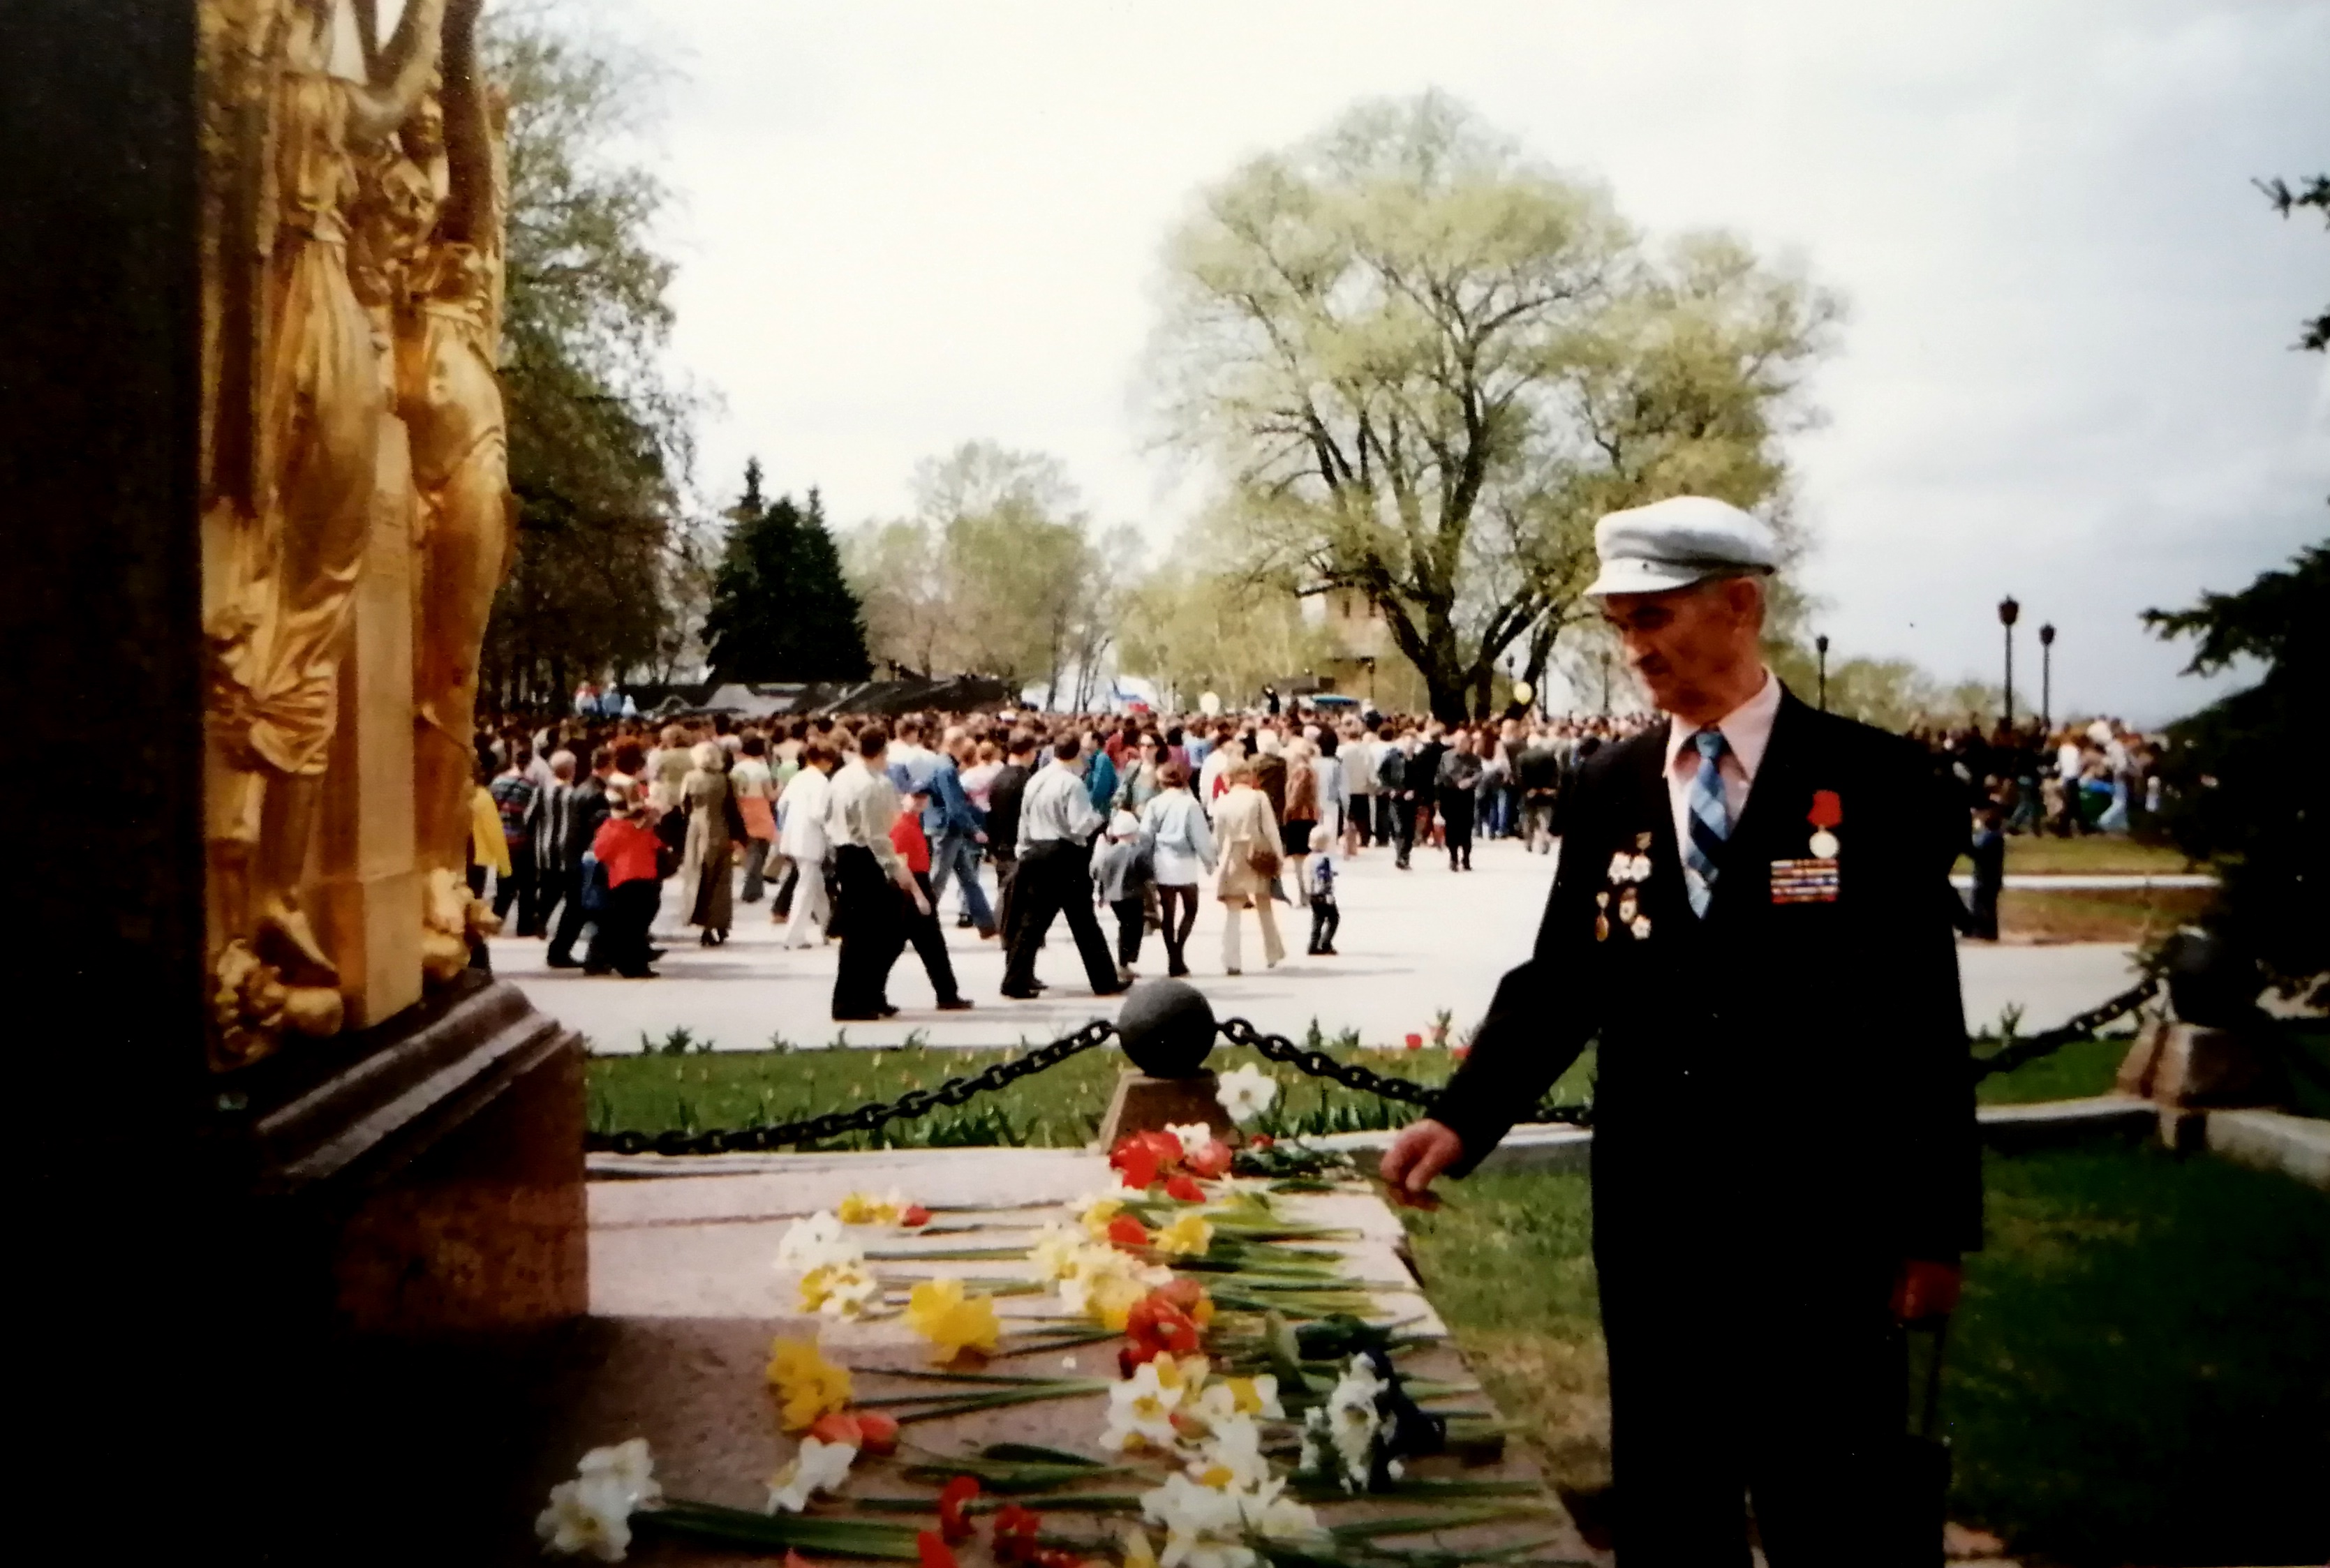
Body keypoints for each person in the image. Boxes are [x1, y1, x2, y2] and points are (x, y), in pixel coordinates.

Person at [1380, 494, 1977, 1563]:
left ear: (1739, 604)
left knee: (1829, 1502)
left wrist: (1933, 1227)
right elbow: (1564, 974)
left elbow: (1921, 1019)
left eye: (1652, 616)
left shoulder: (1872, 781)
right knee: (1668, 1495)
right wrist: (1463, 1119)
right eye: (1618, 623)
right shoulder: (1610, 784)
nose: (1631, 647)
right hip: (1657, 1217)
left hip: (1824, 1226)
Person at [1001, 734, 1126, 1000]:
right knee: (1084, 921)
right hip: (1064, 854)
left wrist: (1024, 850)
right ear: (1076, 755)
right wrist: (1100, 819)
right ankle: (1104, 980)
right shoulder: (1072, 783)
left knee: (1032, 922)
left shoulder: (1035, 779)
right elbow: (1080, 824)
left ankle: (1015, 979)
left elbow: (1024, 820)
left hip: (1035, 850)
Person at [824, 726, 928, 1021]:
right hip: (868, 858)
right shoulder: (876, 785)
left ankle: (868, 995)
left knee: (866, 934)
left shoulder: (842, 776)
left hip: (846, 853)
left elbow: (828, 816)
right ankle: (853, 1000)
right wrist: (897, 870)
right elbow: (879, 836)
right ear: (882, 752)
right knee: (875, 934)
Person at [889, 789, 974, 1010]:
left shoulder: (915, 824)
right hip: (909, 886)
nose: (920, 801)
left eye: (924, 797)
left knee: (917, 946)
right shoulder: (902, 826)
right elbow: (900, 864)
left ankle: (947, 995)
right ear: (903, 797)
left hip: (918, 883)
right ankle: (947, 995)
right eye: (914, 796)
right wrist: (919, 895)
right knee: (923, 946)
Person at [1140, 761, 1215, 979]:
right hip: (1185, 862)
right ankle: (1178, 953)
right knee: (1191, 909)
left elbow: (1146, 836)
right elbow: (1200, 837)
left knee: (1168, 914)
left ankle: (1172, 956)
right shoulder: (1190, 804)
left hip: (1162, 860)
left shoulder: (1154, 804)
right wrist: (1209, 861)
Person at [1210, 759, 1286, 975]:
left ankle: (1232, 960)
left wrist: (1216, 861)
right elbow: (1271, 830)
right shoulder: (1258, 797)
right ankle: (1272, 952)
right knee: (1264, 905)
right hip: (1258, 852)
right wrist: (1279, 856)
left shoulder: (1222, 802)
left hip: (1235, 853)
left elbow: (1218, 837)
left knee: (1233, 910)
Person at [926, 730, 998, 940]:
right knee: (938, 879)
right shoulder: (947, 769)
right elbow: (954, 805)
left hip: (942, 826)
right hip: (947, 829)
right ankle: (919, 922)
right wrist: (974, 829)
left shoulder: (937, 763)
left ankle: (986, 924)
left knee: (968, 878)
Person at [545, 746, 614, 969]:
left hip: (576, 855)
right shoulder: (595, 794)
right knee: (582, 908)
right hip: (585, 857)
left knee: (576, 908)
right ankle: (571, 953)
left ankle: (560, 951)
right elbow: (597, 828)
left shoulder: (583, 788)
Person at [586, 781, 662, 978]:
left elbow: (601, 853)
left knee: (624, 925)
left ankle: (624, 963)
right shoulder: (645, 827)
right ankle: (634, 965)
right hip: (646, 877)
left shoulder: (611, 827)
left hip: (621, 878)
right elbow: (657, 846)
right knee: (636, 926)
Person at [776, 742, 837, 948]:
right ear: (826, 761)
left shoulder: (798, 777)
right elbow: (819, 813)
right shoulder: (821, 782)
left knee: (816, 886)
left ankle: (830, 929)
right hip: (810, 840)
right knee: (805, 889)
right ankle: (794, 937)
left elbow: (781, 804)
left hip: (793, 836)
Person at [678, 741, 739, 947]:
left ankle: (702, 922)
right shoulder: (725, 780)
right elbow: (732, 810)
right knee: (721, 881)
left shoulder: (690, 778)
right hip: (721, 830)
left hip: (696, 832)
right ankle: (719, 923)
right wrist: (741, 837)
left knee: (699, 877)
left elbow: (684, 807)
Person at [1090, 810, 1156, 985]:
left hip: (1115, 898)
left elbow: (1103, 874)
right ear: (1134, 832)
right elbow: (1148, 873)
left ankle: (1124, 962)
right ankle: (1125, 961)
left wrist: (1102, 895)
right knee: (1134, 927)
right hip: (1133, 896)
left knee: (1125, 926)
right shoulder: (1138, 853)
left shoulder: (1109, 853)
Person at [489, 744, 541, 933]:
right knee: (527, 887)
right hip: (522, 841)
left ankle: (494, 922)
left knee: (503, 886)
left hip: (502, 841)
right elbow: (533, 815)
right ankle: (525, 926)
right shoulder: (531, 786)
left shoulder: (497, 782)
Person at [732, 733, 778, 903]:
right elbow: (770, 795)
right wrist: (781, 788)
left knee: (750, 849)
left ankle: (755, 887)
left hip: (742, 808)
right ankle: (752, 888)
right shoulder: (762, 769)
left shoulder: (737, 769)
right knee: (760, 851)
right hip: (759, 809)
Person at [1436, 729, 1483, 872]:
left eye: (1466, 741)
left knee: (1466, 827)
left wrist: (1470, 781)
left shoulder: (1474, 759)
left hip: (1467, 796)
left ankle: (1466, 858)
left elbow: (1479, 773)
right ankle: (1453, 858)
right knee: (1452, 828)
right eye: (1460, 740)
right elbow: (1441, 775)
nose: (1463, 743)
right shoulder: (1446, 756)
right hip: (1451, 796)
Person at [1959, 797, 2005, 941]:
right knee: (1986, 904)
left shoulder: (1991, 837)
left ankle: (1982, 931)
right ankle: (1989, 931)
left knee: (1982, 904)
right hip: (1990, 876)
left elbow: (1976, 850)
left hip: (1987, 877)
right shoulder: (1994, 836)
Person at [1305, 824, 1341, 956]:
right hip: (1324, 895)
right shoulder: (1325, 859)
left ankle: (1313, 945)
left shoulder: (1308, 859)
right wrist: (1329, 894)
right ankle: (1325, 943)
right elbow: (1325, 878)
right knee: (1334, 919)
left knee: (1317, 920)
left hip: (1312, 894)